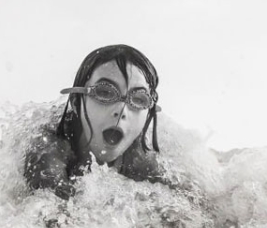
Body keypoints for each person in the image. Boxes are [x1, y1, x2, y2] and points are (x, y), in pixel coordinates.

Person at [24, 44, 165, 200]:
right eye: (105, 92)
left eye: (139, 99)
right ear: (76, 102)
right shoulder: (47, 147)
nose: (122, 111)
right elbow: (48, 210)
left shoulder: (143, 160)